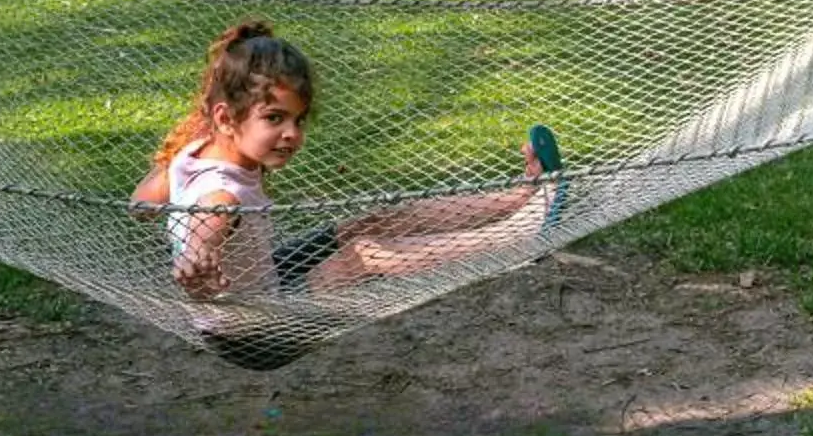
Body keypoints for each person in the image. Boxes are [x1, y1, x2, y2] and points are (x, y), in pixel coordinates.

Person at [131, 21, 562, 307]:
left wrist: (173, 192)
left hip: (262, 278)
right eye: (274, 119)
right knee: (361, 254)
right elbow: (211, 217)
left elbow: (140, 203)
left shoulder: (195, 149)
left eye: (297, 120)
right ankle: (519, 232)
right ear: (226, 118)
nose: (292, 135)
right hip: (260, 327)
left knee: (366, 223)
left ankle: (515, 197)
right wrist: (197, 255)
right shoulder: (222, 192)